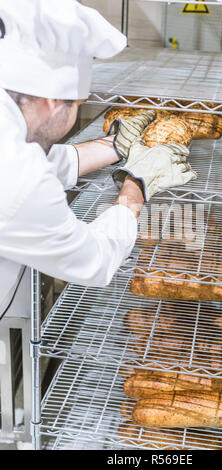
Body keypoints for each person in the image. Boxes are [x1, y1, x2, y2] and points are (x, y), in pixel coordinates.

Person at [0, 0, 196, 318]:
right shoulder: (18, 178)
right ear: (52, 101)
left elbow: (41, 161)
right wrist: (137, 183)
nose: (76, 111)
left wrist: (115, 145)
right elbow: (95, 261)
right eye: (77, 104)